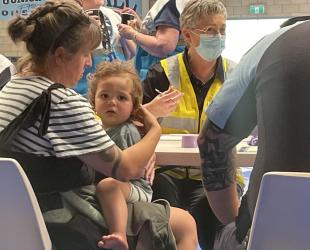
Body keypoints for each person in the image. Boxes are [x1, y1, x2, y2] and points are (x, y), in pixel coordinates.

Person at [0, 1, 198, 249]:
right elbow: (124, 169)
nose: (87, 64)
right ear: (60, 55)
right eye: (85, 54)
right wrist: (154, 131)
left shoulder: (13, 87)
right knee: (184, 224)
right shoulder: (58, 100)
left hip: (14, 218)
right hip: (59, 220)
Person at [197, 16, 310, 249]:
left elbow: (211, 142)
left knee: (209, 219)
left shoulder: (274, 43)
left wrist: (233, 222)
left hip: (277, 232)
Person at [142, 0, 244, 249]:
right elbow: (132, 124)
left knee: (216, 219)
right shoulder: (162, 73)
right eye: (210, 30)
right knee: (162, 219)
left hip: (218, 173)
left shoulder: (236, 76)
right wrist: (147, 113)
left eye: (222, 30)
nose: (218, 36)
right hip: (168, 173)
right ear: (187, 35)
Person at [88, 60, 153, 249]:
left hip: (135, 188)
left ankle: (119, 234)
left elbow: (131, 171)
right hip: (114, 185)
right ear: (93, 101)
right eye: (104, 95)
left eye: (122, 98)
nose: (112, 102)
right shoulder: (95, 130)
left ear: (134, 106)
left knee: (109, 186)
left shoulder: (126, 131)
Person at [74, 0, 135, 95]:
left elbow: (130, 54)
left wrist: (127, 34)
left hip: (115, 87)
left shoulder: (113, 15)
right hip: (83, 91)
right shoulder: (71, 17)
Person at [117, 0, 190, 80]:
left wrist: (133, 34)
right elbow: (166, 34)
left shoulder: (170, 4)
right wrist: (143, 28)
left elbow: (163, 46)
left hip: (160, 72)